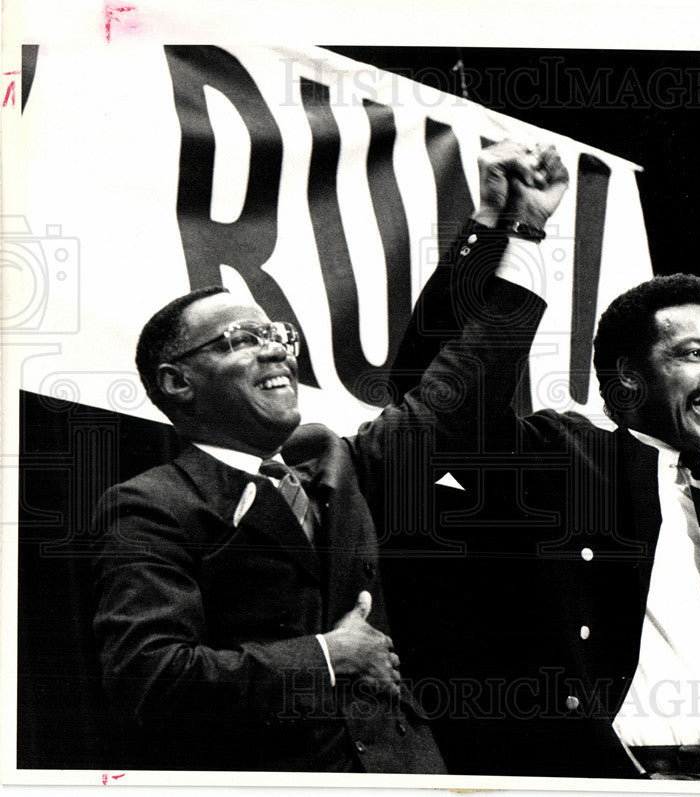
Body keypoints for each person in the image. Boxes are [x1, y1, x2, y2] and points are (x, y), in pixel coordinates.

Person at [90, 141, 569, 772]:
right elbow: (150, 678)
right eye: (243, 338)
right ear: (178, 382)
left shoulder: (339, 466)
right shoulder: (151, 505)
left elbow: (463, 383)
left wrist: (515, 230)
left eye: (277, 336)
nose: (276, 352)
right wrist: (324, 656)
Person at [386, 272, 700, 779]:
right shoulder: (562, 463)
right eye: (694, 354)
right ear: (629, 374)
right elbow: (431, 399)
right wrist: (508, 233)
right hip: (622, 783)